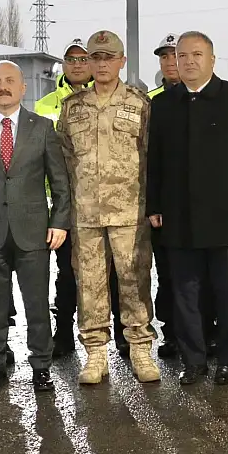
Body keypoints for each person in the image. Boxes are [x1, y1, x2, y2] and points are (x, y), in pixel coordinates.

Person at [147, 32, 228, 385]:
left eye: (197, 54)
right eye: (182, 56)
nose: (189, 61)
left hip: (224, 215)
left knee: (226, 293)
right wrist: (154, 204)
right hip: (178, 215)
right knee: (185, 293)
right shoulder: (164, 104)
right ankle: (193, 360)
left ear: (212, 59)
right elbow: (156, 160)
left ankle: (226, 358)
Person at [0, 61, 71, 393]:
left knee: (37, 304)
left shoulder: (42, 128)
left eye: (10, 81)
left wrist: (59, 222)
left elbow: (60, 183)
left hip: (33, 231)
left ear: (23, 88)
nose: (3, 86)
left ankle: (41, 367)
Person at [57, 30, 160, 384]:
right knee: (89, 285)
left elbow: (150, 156)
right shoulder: (73, 107)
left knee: (134, 281)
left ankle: (141, 349)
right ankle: (96, 353)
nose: (101, 65)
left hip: (130, 213)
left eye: (108, 58)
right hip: (85, 214)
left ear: (121, 61)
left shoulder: (139, 103)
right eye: (95, 58)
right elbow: (65, 159)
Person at [34, 38, 94, 357]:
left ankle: (121, 335)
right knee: (67, 273)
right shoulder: (46, 105)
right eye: (71, 60)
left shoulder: (106, 97)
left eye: (83, 59)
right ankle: (65, 332)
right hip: (64, 204)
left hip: (101, 203)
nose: (77, 65)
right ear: (63, 65)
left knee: (109, 272)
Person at [144, 33, 181, 359]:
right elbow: (147, 158)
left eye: (175, 55)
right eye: (164, 56)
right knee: (167, 274)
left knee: (201, 276)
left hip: (199, 203)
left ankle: (204, 332)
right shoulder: (151, 102)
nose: (170, 62)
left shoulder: (209, 96)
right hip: (165, 206)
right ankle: (172, 333)